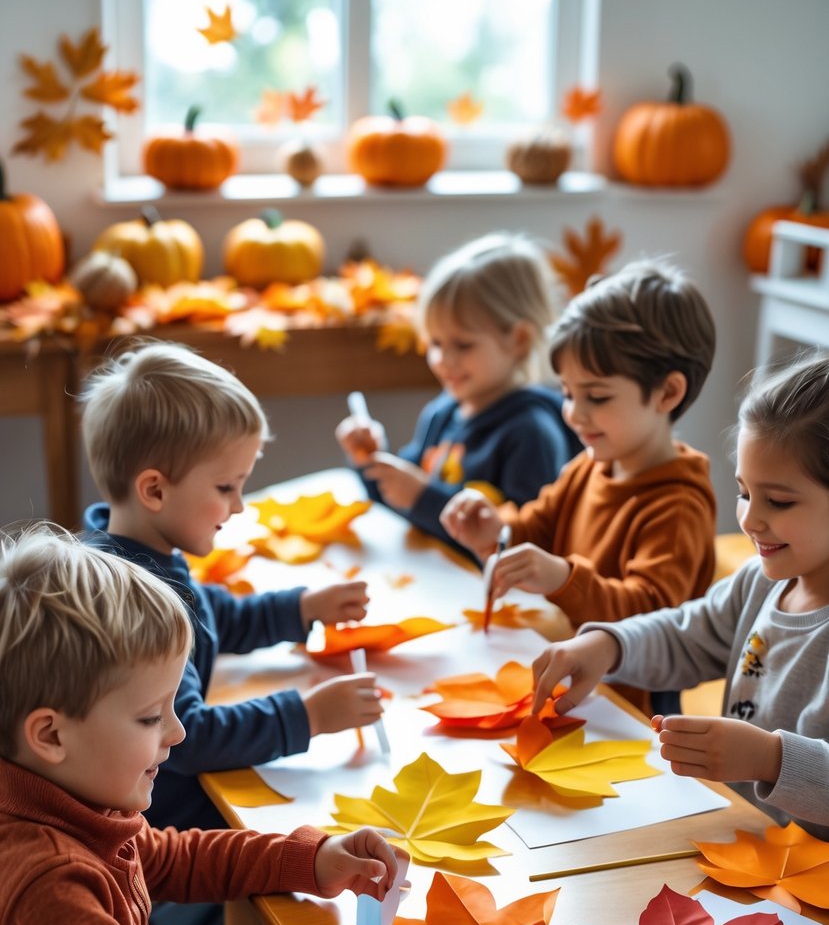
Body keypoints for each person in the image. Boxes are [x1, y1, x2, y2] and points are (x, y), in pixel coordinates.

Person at [0, 526, 404, 925]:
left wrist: (310, 857)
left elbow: (169, 858)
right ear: (50, 734)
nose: (179, 732)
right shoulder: (45, 879)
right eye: (148, 718)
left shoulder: (77, 794)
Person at [80, 340, 383, 835]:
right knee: (302, 829)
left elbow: (206, 613)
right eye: (226, 488)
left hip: (169, 799)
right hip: (162, 822)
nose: (239, 506)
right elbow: (188, 739)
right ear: (154, 490)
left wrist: (299, 609)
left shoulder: (126, 554)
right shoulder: (134, 603)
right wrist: (306, 716)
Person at [530, 351, 829, 840]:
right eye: (744, 492)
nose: (750, 520)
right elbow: (685, 634)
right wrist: (611, 645)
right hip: (743, 843)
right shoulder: (760, 582)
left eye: (778, 501)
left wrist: (770, 760)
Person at [440, 260, 718, 714]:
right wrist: (495, 532)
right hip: (565, 685)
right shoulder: (589, 466)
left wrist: (563, 579)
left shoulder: (678, 504)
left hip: (627, 711)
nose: (573, 413)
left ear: (668, 393)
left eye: (597, 396)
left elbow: (650, 620)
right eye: (568, 392)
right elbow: (536, 529)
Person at [335, 232, 581, 550]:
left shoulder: (531, 433)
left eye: (462, 345)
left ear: (518, 340)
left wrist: (423, 497)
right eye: (435, 343)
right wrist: (369, 459)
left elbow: (526, 545)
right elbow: (397, 499)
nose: (442, 360)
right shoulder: (443, 411)